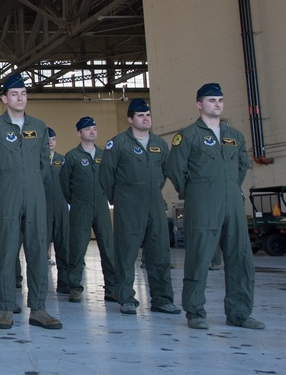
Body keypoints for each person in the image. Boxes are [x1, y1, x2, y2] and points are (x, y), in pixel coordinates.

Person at [165, 83, 264, 330]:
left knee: (240, 257)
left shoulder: (235, 136)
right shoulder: (187, 136)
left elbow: (242, 166)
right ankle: (196, 312)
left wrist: (228, 187)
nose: (217, 104)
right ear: (200, 104)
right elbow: (175, 168)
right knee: (199, 257)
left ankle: (239, 313)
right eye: (211, 100)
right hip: (202, 204)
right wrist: (196, 191)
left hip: (232, 202)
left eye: (220, 100)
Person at [0, 74, 61, 330]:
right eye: (14, 94)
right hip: (6, 199)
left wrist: (31, 182)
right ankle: (5, 309)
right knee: (5, 253)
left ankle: (38, 309)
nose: (20, 97)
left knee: (37, 252)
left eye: (23, 93)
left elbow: (44, 164)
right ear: (4, 99)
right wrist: (4, 187)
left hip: (35, 199)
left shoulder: (39, 126)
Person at [99, 99, 180, 316]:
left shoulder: (159, 144)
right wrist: (120, 198)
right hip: (128, 205)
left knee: (160, 252)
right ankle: (126, 298)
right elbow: (106, 175)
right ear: (130, 119)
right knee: (126, 253)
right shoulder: (117, 144)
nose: (146, 118)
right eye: (141, 115)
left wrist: (152, 189)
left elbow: (165, 172)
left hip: (154, 204)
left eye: (148, 115)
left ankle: (162, 299)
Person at [59, 117, 117, 303]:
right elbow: (65, 184)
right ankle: (75, 286)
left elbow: (111, 178)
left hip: (101, 205)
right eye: (87, 129)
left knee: (108, 247)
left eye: (94, 128)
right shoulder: (72, 157)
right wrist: (76, 201)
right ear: (79, 133)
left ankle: (111, 288)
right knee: (77, 247)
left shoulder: (104, 154)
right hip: (80, 206)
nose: (92, 131)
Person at [44, 127, 70, 295]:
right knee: (40, 246)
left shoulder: (63, 160)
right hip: (43, 208)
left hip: (61, 208)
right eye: (48, 139)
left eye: (53, 139)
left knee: (63, 245)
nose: (51, 142)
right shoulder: (38, 161)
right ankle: (40, 285)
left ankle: (65, 282)